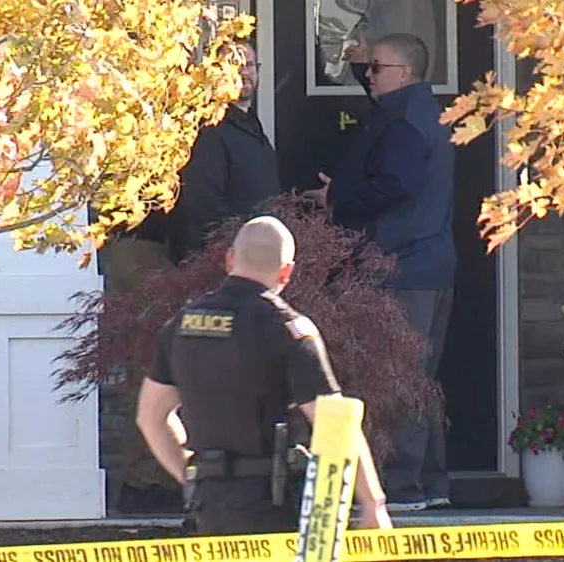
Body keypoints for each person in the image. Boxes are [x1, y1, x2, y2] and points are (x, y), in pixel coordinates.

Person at [136, 216, 392, 535]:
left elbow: (150, 418)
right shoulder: (286, 328)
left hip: (207, 506)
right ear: (287, 271)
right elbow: (335, 423)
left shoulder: (181, 325)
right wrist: (372, 504)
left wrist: (192, 477)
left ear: (230, 258)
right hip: (270, 506)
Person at [305, 33, 456, 512]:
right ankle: (432, 483)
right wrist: (356, 54)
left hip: (403, 264)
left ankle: (403, 486)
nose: (367, 75)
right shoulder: (416, 110)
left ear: (405, 74)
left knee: (398, 377)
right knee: (420, 380)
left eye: (375, 68)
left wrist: (337, 198)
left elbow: (397, 183)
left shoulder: (405, 121)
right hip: (427, 262)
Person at [169, 39, 283, 264]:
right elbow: (203, 205)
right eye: (235, 65)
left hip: (256, 255)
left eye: (250, 65)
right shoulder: (210, 129)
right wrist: (224, 253)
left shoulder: (250, 124)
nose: (244, 72)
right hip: (225, 262)